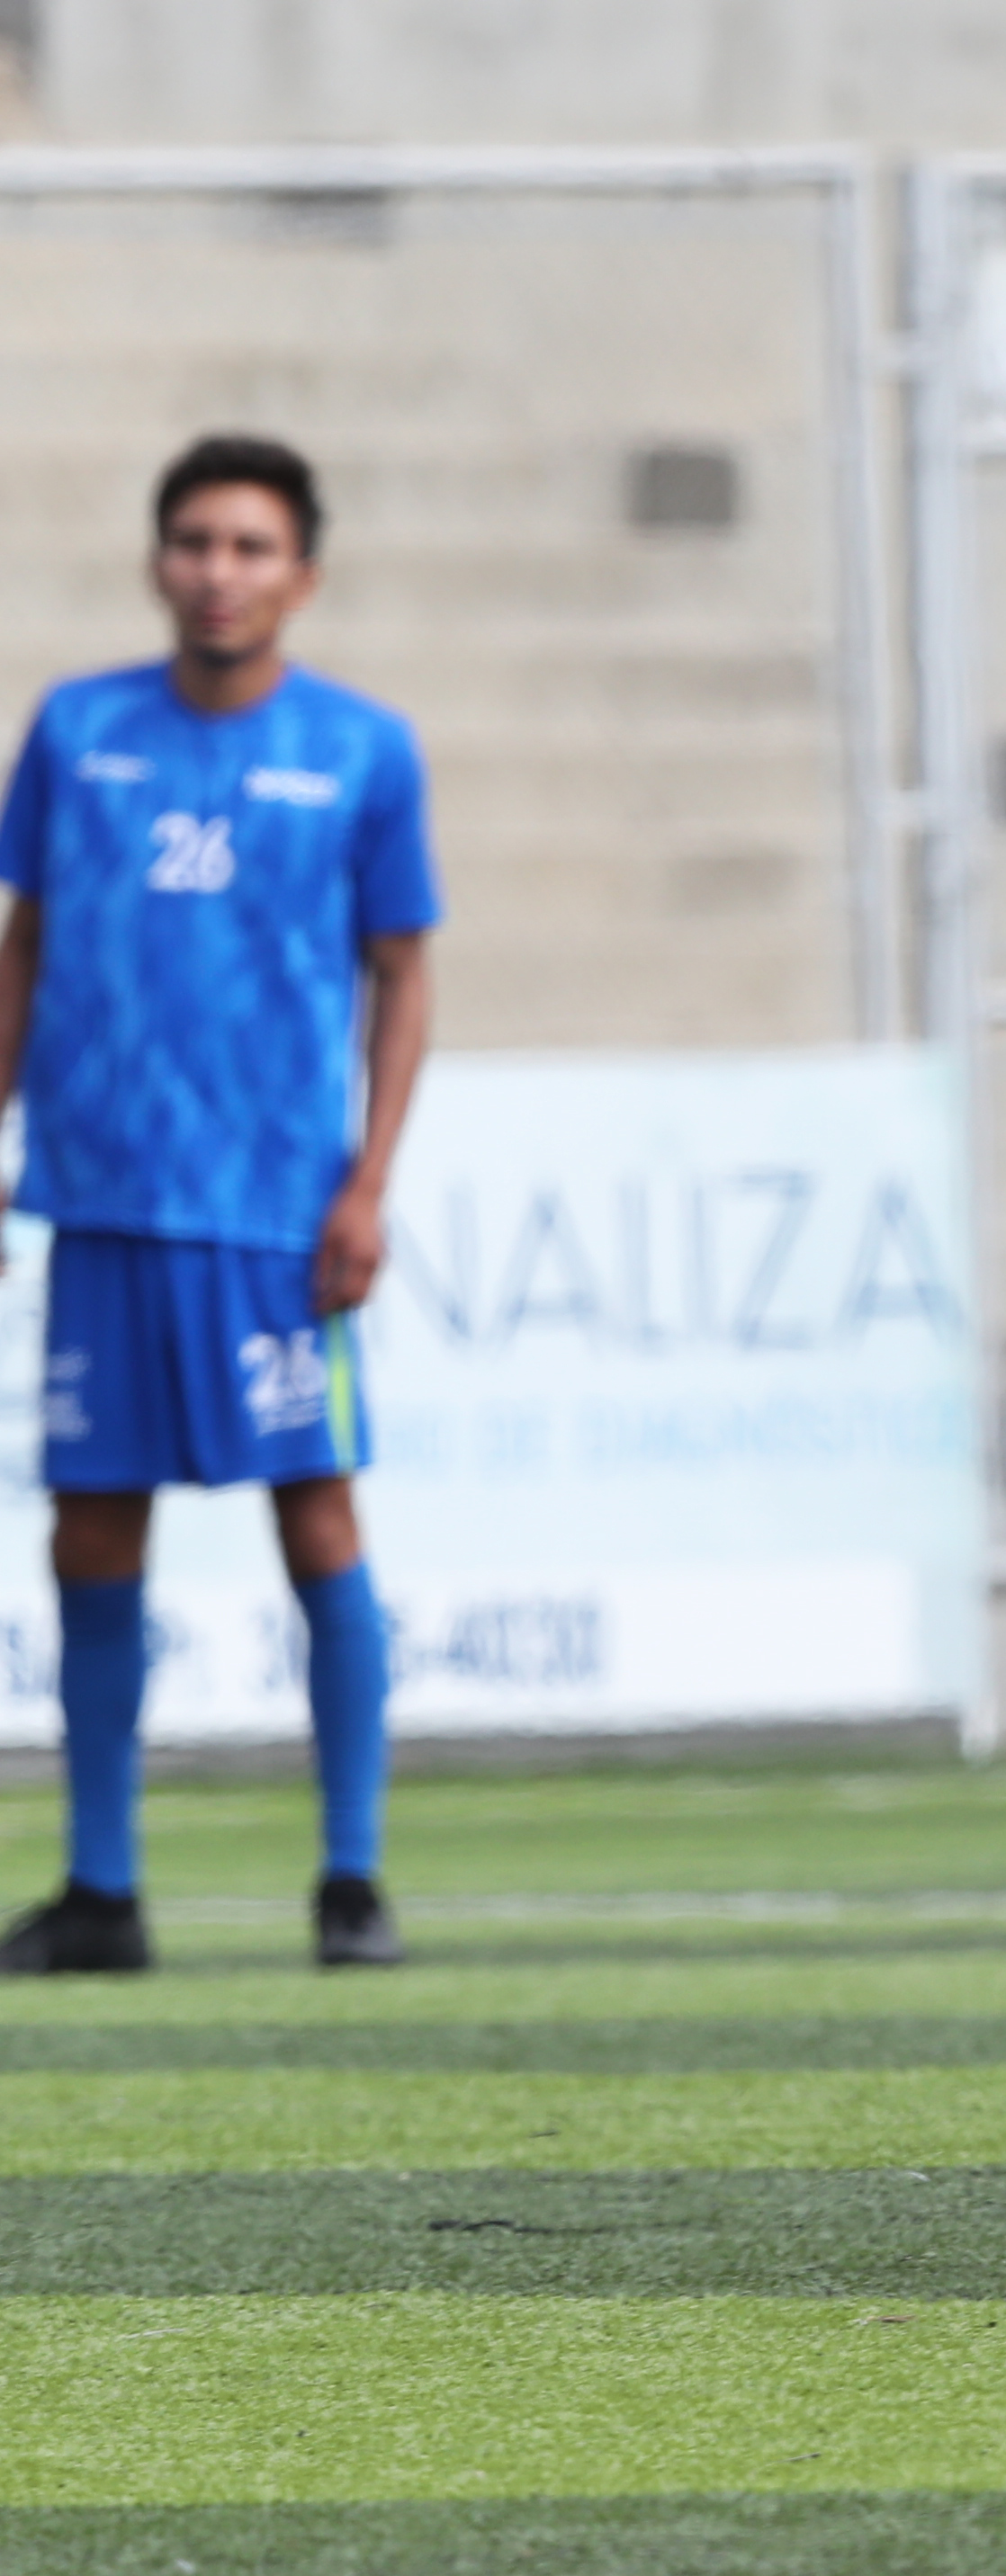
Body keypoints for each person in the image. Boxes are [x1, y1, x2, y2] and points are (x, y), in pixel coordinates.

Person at [0, 434, 438, 1974]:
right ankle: (104, 1892)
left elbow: (402, 973)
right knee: (92, 1531)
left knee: (314, 1511)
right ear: (156, 560)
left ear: (301, 574)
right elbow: (26, 946)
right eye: (195, 540)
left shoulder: (365, 751)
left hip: (273, 1217)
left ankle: (351, 1880)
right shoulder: (73, 730)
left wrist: (367, 1180)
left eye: (251, 546)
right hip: (105, 1204)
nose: (219, 570)